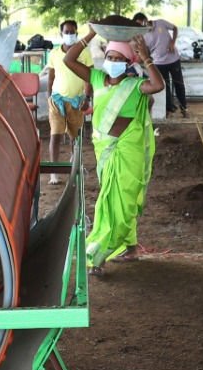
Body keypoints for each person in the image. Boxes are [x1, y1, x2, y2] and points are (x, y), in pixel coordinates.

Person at [62, 30, 165, 275]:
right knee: (117, 201)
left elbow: (158, 85)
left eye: (120, 59)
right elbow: (69, 60)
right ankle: (129, 247)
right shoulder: (97, 78)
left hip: (127, 152)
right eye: (111, 57)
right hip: (104, 150)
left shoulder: (135, 85)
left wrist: (146, 58)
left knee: (113, 203)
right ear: (104, 58)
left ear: (129, 63)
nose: (114, 62)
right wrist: (91, 34)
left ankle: (97, 255)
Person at [46, 20, 93, 185]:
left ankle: (74, 167)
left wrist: (87, 98)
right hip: (57, 100)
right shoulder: (54, 53)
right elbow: (51, 77)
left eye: (72, 32)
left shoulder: (85, 53)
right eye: (66, 32)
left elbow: (90, 77)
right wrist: (49, 97)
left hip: (77, 101)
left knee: (76, 138)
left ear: (77, 34)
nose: (69, 35)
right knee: (55, 135)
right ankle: (54, 173)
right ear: (61, 34)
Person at [132, 12, 186, 118]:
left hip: (173, 59)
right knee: (165, 86)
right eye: (138, 25)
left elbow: (175, 28)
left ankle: (184, 108)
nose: (141, 26)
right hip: (159, 62)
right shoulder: (143, 35)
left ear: (146, 19)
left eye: (141, 23)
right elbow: (145, 51)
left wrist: (172, 43)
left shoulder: (160, 23)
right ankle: (169, 110)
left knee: (179, 84)